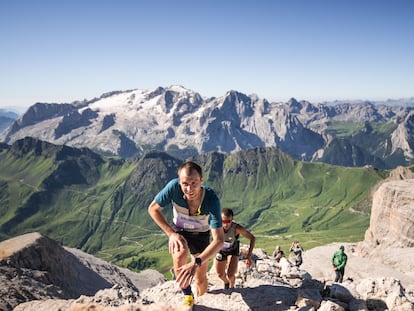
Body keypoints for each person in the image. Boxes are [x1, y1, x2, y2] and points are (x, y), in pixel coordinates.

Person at [148, 161, 224, 310]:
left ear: (201, 180)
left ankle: (203, 300)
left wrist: (196, 262)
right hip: (179, 230)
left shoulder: (211, 199)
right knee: (179, 254)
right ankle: (187, 295)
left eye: (194, 183)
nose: (189, 189)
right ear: (179, 181)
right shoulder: (173, 187)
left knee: (200, 276)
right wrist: (171, 234)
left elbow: (219, 240)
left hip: (201, 234)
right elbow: (153, 209)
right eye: (185, 184)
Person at [214, 208, 255, 289]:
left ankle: (231, 287)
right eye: (223, 221)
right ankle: (226, 282)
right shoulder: (216, 226)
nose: (226, 224)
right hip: (221, 250)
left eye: (228, 221)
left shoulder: (237, 228)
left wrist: (249, 256)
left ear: (232, 220)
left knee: (231, 274)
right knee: (220, 274)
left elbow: (252, 238)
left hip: (233, 249)